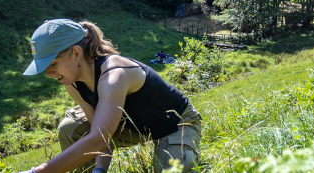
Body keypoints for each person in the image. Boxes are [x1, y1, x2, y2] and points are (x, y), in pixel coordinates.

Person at [17, 19, 201, 173]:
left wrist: (35, 172)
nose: (49, 74)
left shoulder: (114, 75)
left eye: (53, 64)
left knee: (173, 169)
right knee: (71, 127)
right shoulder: (71, 82)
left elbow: (97, 138)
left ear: (76, 53)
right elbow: (102, 136)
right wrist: (100, 169)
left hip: (174, 123)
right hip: (131, 126)